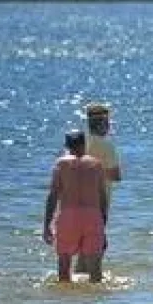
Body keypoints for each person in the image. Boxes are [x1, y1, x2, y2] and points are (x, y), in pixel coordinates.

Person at [42, 130, 109, 284]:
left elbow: (53, 195)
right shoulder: (96, 164)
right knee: (95, 271)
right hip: (92, 216)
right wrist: (103, 226)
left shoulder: (61, 163)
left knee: (64, 267)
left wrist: (46, 225)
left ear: (67, 146)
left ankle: (66, 302)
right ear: (84, 145)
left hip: (68, 216)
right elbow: (102, 197)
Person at [81, 103, 122, 277]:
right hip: (99, 202)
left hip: (77, 201)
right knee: (96, 246)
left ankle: (78, 283)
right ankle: (92, 284)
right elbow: (115, 175)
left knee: (83, 246)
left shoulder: (80, 142)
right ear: (103, 124)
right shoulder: (106, 146)